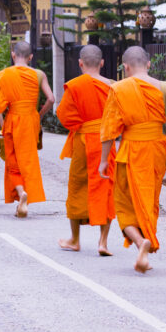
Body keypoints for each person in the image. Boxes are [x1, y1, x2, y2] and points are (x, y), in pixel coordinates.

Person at [98, 46, 166, 274]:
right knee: (148, 199)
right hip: (156, 150)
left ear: (126, 67)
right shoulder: (164, 88)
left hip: (130, 150)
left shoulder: (118, 88)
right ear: (149, 64)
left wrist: (105, 160)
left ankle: (140, 241)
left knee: (124, 204)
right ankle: (147, 238)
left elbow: (110, 128)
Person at [55, 44, 115, 256]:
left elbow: (63, 116)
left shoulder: (74, 86)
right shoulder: (112, 86)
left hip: (83, 143)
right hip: (106, 142)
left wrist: (81, 124)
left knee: (77, 187)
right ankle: (103, 242)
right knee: (105, 187)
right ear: (102, 63)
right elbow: (120, 116)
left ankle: (74, 239)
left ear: (80, 63)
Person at [0, 40, 54, 218]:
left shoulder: (5, 75)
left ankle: (21, 193)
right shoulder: (39, 74)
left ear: (13, 55)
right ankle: (24, 194)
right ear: (31, 57)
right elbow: (51, 99)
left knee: (13, 160)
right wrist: (38, 115)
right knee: (27, 159)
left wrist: (3, 127)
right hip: (31, 120)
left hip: (13, 119)